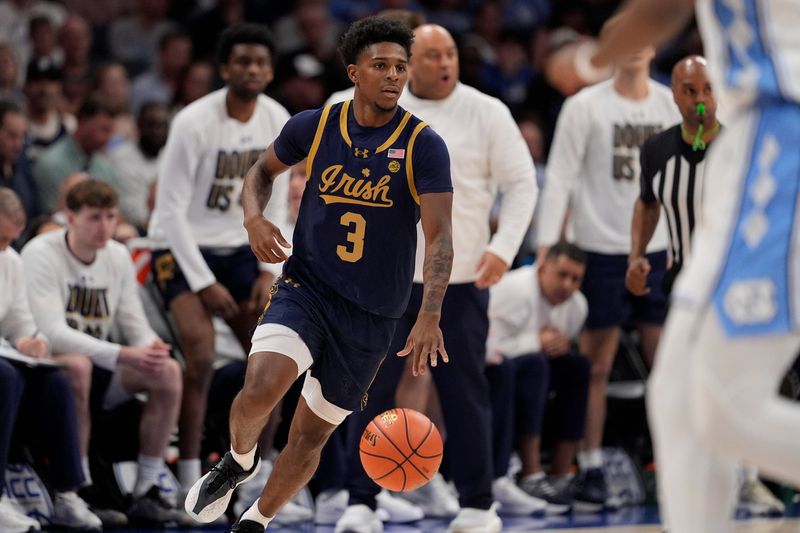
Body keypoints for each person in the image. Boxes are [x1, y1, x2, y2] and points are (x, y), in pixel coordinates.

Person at [184, 16, 454, 533]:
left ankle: (257, 521)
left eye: (401, 67)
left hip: (373, 314)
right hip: (307, 287)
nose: (394, 76)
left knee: (311, 435)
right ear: (354, 72)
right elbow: (260, 173)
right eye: (381, 66)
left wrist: (431, 313)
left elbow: (440, 236)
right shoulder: (314, 125)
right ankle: (239, 460)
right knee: (261, 386)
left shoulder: (424, 145)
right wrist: (254, 218)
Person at [591, 1, 800, 531]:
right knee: (678, 400)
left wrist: (588, 58)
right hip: (757, 137)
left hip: (781, 128)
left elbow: (656, 13)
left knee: (731, 408)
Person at [334, 23, 538, 533]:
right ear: (405, 62)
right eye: (431, 55)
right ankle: (360, 500)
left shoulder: (488, 111)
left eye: (450, 54)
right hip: (381, 278)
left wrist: (503, 248)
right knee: (369, 389)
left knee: (465, 392)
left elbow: (521, 184)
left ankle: (478, 503)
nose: (444, 63)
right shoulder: (363, 106)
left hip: (461, 280)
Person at [535, 16, 679, 510]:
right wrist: (546, 245)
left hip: (658, 249)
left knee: (668, 367)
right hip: (597, 249)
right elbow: (559, 179)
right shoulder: (583, 106)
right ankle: (591, 466)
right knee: (596, 367)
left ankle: (675, 465)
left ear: (655, 45)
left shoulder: (669, 104)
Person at [146, 23, 292, 495]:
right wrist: (203, 281)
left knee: (276, 357)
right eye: (242, 61)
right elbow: (168, 211)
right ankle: (188, 472)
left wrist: (270, 269)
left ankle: (258, 470)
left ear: (270, 72)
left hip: (243, 247)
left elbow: (282, 201)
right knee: (202, 353)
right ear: (225, 68)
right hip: (181, 244)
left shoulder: (278, 118)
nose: (251, 69)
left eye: (259, 62)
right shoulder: (192, 121)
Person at [20, 179, 183, 526]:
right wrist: (124, 354)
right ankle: (78, 491)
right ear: (70, 217)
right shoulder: (40, 252)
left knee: (167, 371)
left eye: (110, 217)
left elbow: (133, 321)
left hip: (104, 364)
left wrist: (151, 347)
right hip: (47, 367)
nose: (104, 227)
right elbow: (52, 333)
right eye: (94, 218)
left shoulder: (117, 255)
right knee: (79, 366)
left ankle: (146, 489)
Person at [0, 188, 101, 532]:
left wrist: (32, 340)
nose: (5, 247)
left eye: (10, 240)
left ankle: (66, 494)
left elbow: (18, 320)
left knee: (56, 378)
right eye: (1, 238)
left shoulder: (9, 260)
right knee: (5, 376)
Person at [486, 241, 590, 515]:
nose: (567, 285)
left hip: (532, 371)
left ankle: (559, 475)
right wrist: (535, 341)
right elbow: (485, 348)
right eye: (562, 275)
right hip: (494, 371)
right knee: (535, 364)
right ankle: (531, 475)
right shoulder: (515, 290)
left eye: (575, 279)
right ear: (542, 269)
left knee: (577, 367)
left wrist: (556, 346)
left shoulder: (577, 306)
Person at [31, 94, 117, 214]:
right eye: (103, 129)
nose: (108, 138)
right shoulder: (50, 164)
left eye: (111, 131)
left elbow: (115, 213)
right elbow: (50, 218)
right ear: (83, 123)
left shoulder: (105, 168)